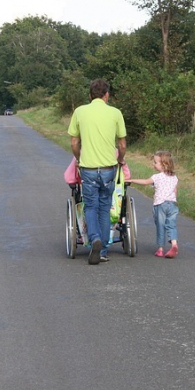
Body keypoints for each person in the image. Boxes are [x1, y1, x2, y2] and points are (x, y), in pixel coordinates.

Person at [67, 79, 127, 265]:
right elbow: (122, 144)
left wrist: (78, 158)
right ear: (106, 95)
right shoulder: (116, 113)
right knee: (104, 207)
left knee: (90, 206)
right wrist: (119, 160)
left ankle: (94, 240)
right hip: (109, 168)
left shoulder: (79, 112)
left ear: (90, 95)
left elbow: (75, 143)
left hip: (88, 168)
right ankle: (103, 251)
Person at [128, 151, 179, 258]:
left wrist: (131, 180)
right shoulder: (174, 178)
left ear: (164, 164)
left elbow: (146, 182)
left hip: (160, 205)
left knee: (160, 226)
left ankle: (160, 249)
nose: (153, 164)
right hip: (173, 204)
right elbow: (175, 191)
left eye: (155, 162)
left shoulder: (157, 177)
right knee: (171, 225)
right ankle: (174, 244)